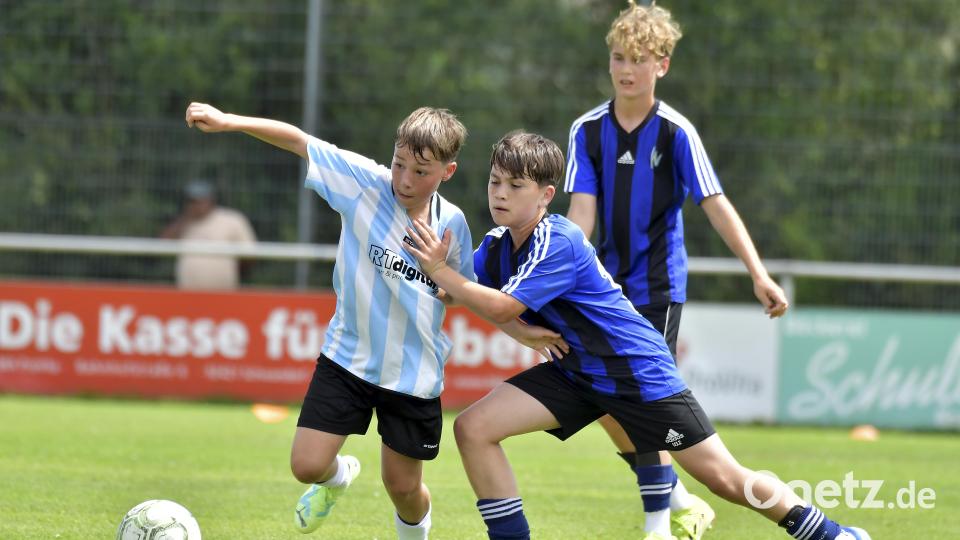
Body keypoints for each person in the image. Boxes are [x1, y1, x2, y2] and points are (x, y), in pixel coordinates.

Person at [403, 130, 869, 540]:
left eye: (515, 185)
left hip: (636, 374)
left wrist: (443, 272)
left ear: (546, 195)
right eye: (494, 182)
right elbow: (461, 292)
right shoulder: (498, 246)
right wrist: (428, 274)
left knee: (724, 479)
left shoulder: (556, 240)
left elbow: (500, 304)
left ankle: (834, 535)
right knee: (474, 427)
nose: (499, 194)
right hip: (576, 373)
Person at [184, 103, 563, 539]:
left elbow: (462, 293)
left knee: (403, 487)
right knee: (306, 465)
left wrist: (520, 332)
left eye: (421, 172)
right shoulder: (363, 182)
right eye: (400, 163)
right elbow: (298, 140)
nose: (405, 179)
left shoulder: (452, 223)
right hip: (347, 357)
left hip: (413, 375)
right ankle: (338, 477)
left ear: (448, 171)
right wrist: (230, 121)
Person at [564, 2, 790, 538]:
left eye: (639, 59)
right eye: (619, 56)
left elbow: (714, 203)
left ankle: (658, 526)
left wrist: (757, 273)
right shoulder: (587, 131)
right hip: (604, 291)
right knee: (602, 401)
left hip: (657, 290)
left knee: (644, 401)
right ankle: (682, 498)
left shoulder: (676, 133)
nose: (626, 68)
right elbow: (581, 215)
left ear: (661, 65)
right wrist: (567, 275)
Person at [160, 179, 257, 290]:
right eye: (191, 201)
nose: (196, 205)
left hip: (224, 292)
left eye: (200, 200)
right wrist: (184, 220)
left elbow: (249, 256)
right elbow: (162, 246)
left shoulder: (232, 220)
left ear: (211, 200)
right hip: (187, 292)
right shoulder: (183, 223)